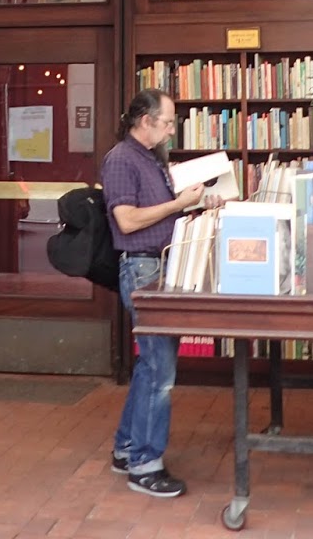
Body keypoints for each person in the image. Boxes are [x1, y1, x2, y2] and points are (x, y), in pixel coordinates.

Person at [100, 87, 221, 499]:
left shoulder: (152, 158)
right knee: (161, 370)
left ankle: (126, 448)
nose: (172, 130)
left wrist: (195, 204)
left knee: (152, 366)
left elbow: (157, 214)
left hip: (158, 264)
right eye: (167, 122)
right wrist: (176, 205)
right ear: (144, 121)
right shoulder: (120, 159)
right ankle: (145, 466)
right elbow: (129, 221)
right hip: (142, 267)